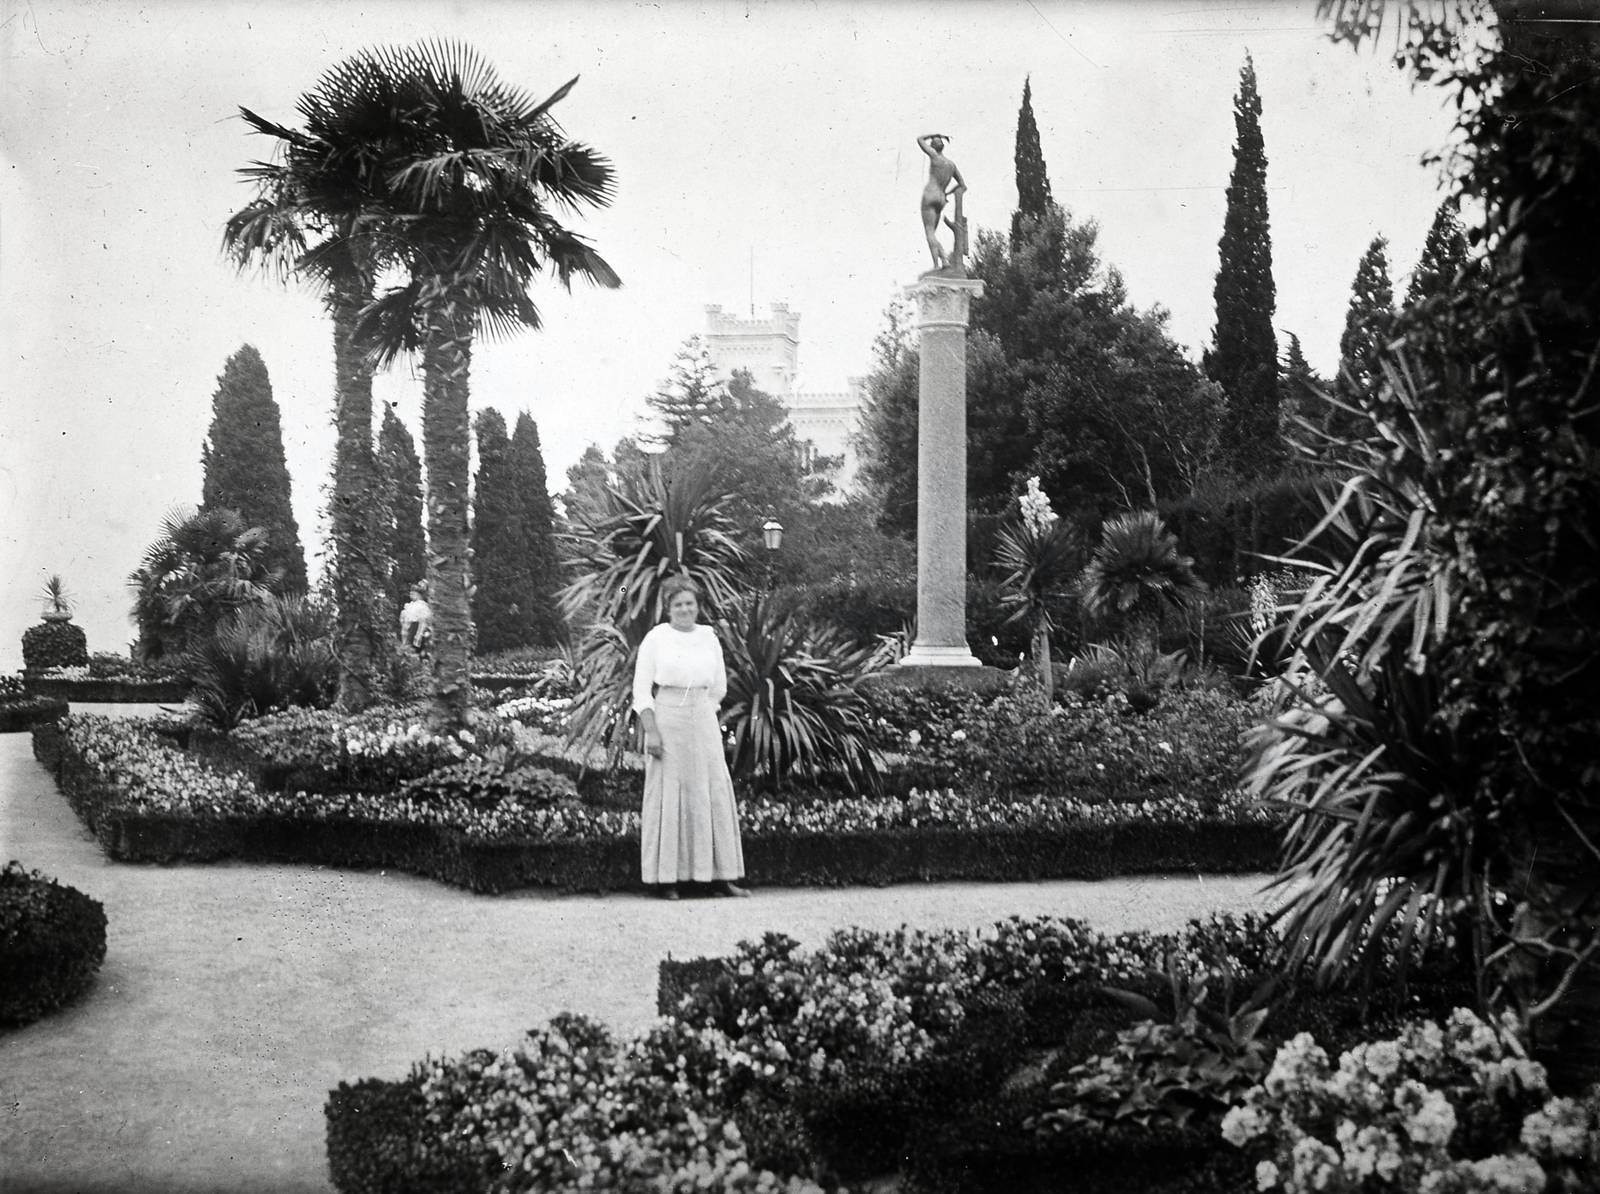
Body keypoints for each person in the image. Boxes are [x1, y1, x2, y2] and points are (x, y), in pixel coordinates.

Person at [631, 574, 748, 900]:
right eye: (678, 604)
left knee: (711, 795)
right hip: (668, 719)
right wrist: (652, 730)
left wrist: (703, 714)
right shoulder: (656, 639)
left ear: (698, 606)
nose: (684, 609)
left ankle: (722, 877)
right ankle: (667, 880)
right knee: (670, 796)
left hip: (703, 721)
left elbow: (719, 688)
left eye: (690, 604)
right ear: (668, 607)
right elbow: (641, 692)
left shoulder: (709, 637)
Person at [918, 133, 966, 271]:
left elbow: (919, 139)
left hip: (930, 194)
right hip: (941, 198)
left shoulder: (934, 156)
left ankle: (937, 264)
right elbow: (962, 185)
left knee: (929, 231)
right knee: (932, 232)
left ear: (933, 146)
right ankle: (943, 260)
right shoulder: (951, 165)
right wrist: (948, 193)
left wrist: (935, 134)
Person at [399, 583, 432, 653]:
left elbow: (423, 621)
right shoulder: (411, 605)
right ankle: (407, 643)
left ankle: (412, 645)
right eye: (410, 594)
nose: (411, 596)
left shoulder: (422, 605)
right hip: (408, 629)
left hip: (417, 629)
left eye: (413, 594)